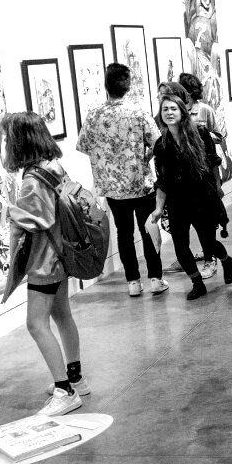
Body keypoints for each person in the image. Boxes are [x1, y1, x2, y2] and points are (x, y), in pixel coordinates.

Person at [2, 112, 86, 415]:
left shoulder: (30, 181)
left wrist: (8, 211)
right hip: (62, 254)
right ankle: (75, 376)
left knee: (35, 323)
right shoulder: (53, 166)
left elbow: (32, 222)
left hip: (44, 261)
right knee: (62, 313)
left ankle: (65, 390)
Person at [77, 64, 167, 299]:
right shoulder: (138, 112)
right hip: (140, 182)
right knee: (148, 229)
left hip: (112, 188)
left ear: (106, 85)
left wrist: (109, 159)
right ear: (128, 86)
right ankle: (156, 279)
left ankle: (133, 282)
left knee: (124, 234)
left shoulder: (94, 114)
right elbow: (157, 143)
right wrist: (143, 157)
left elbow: (84, 146)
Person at [153, 92, 232, 300]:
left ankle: (226, 260)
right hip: (177, 201)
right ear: (160, 114)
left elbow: (213, 162)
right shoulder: (161, 145)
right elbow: (162, 181)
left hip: (202, 197)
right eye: (165, 109)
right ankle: (197, 282)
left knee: (208, 243)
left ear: (182, 111)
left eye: (173, 108)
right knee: (181, 247)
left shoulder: (199, 132)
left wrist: (217, 189)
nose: (169, 113)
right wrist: (157, 208)